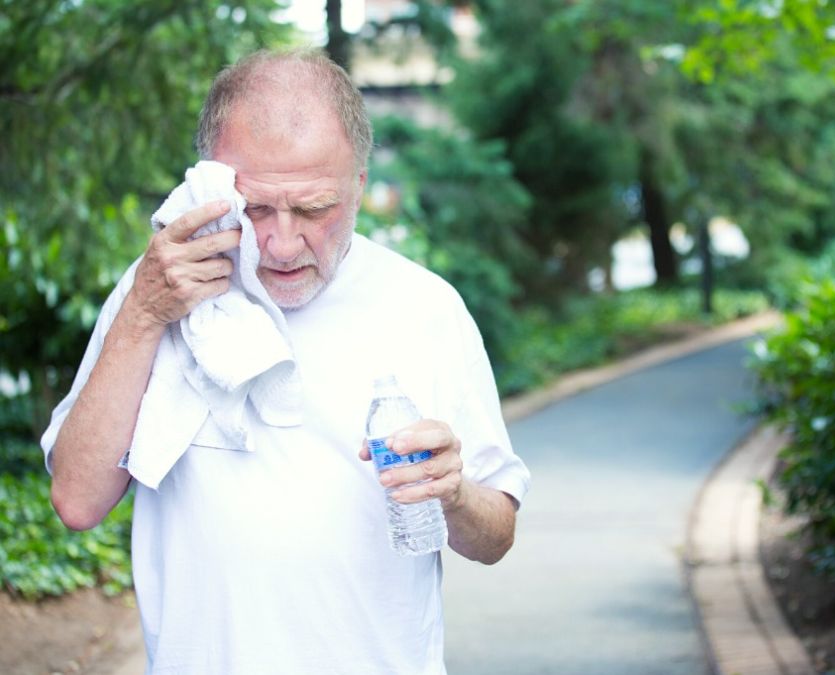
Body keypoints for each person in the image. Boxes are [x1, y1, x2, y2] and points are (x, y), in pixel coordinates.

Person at [40, 48, 530, 674]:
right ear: (211, 185)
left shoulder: (425, 308)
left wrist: (453, 493)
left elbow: (496, 538)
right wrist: (143, 314)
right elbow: (77, 501)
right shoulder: (160, 289)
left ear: (358, 185)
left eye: (313, 209)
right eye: (255, 208)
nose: (281, 243)